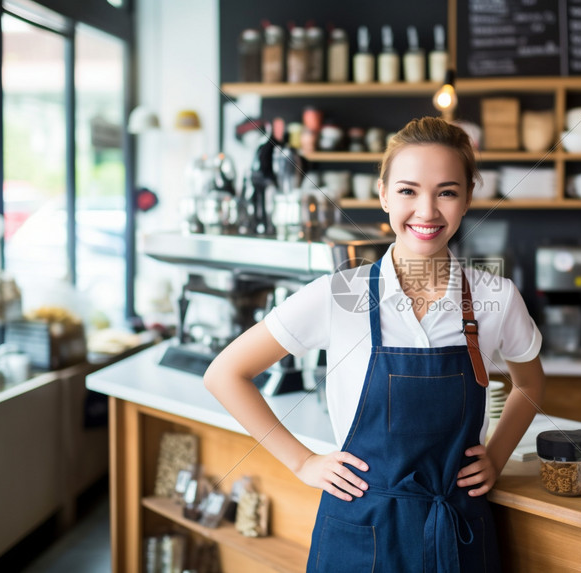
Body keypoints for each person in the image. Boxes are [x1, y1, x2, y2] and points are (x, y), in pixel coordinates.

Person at [205, 116, 545, 572]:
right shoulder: (339, 295)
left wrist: (498, 455)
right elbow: (225, 374)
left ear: (467, 199)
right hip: (359, 531)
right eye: (408, 190)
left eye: (446, 191)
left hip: (459, 530)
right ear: (383, 194)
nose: (427, 211)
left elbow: (530, 383)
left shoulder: (494, 297)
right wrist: (303, 462)